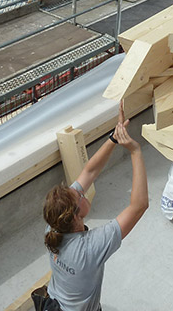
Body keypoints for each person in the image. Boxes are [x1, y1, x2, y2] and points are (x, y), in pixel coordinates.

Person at [42, 104, 148, 311]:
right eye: (80, 194)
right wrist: (135, 151)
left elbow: (89, 171)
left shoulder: (52, 228)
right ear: (76, 216)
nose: (81, 189)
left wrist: (114, 138)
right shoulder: (90, 248)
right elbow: (139, 206)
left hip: (53, 303)